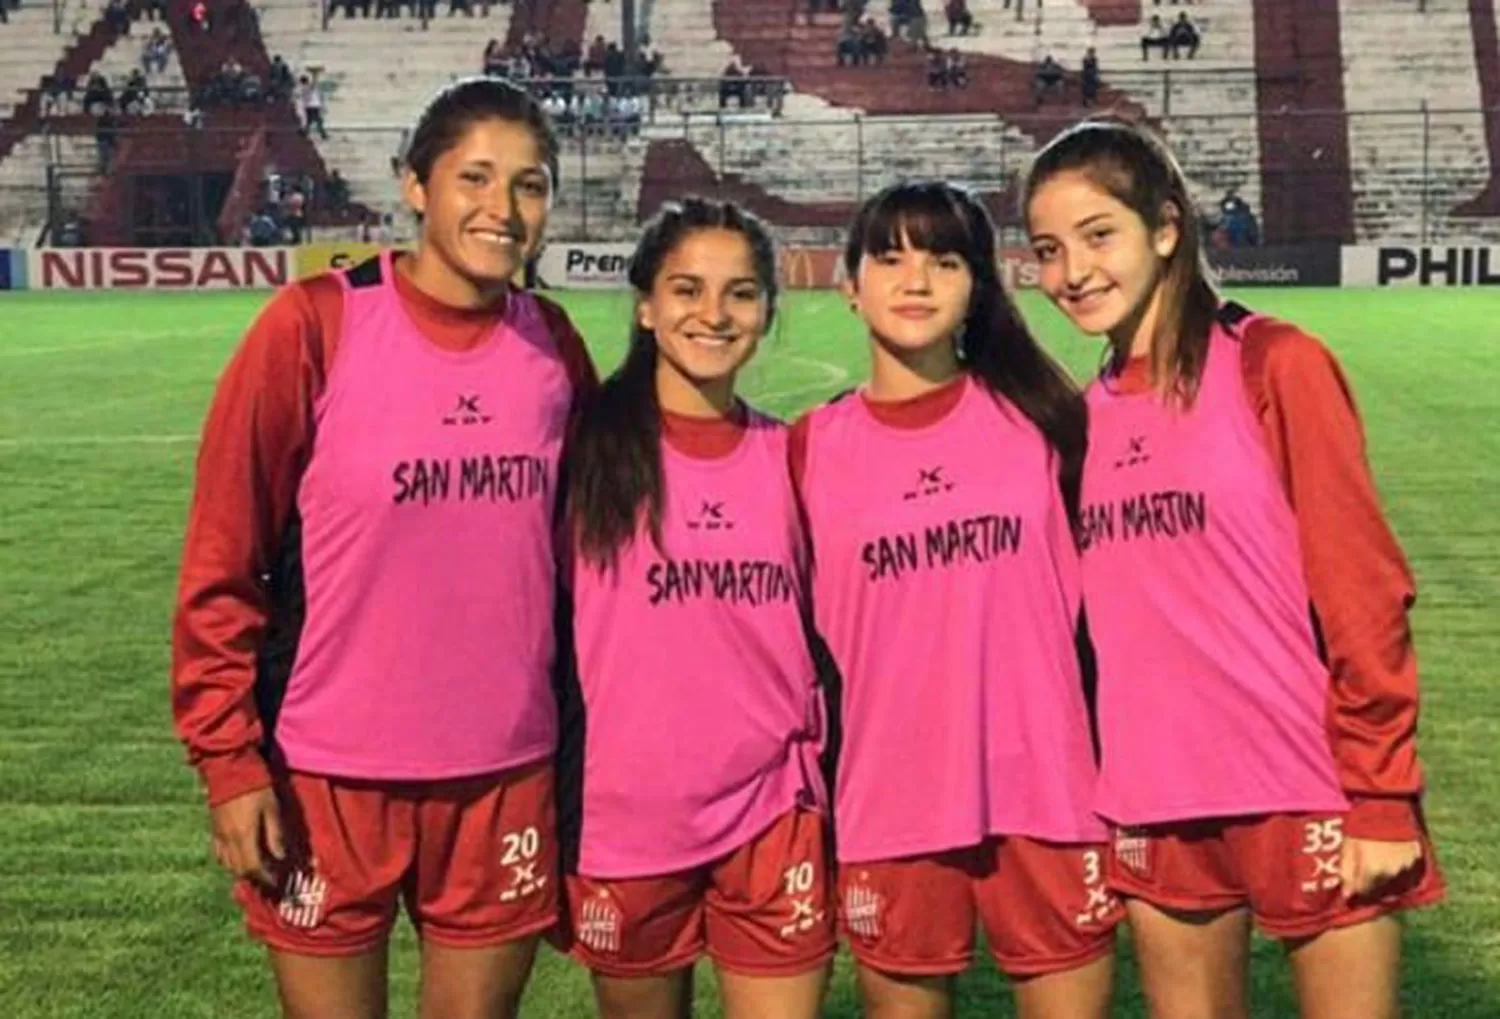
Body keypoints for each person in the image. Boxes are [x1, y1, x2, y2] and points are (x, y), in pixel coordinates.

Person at [170, 78, 597, 1019]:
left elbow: (592, 572)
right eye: (475, 178)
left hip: (504, 773)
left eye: (530, 185)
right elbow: (223, 561)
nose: (503, 208)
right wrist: (231, 763)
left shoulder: (553, 347)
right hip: (327, 777)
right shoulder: (315, 324)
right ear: (415, 186)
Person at [1023, 118, 1445, 1019]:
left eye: (1100, 235)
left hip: (1305, 785)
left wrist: (1380, 792)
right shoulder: (1080, 417)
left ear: (1166, 227)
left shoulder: (1273, 363)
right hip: (1153, 795)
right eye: (1049, 250)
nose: (1073, 272)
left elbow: (1364, 587)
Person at [791, 181, 1119, 1019]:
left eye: (945, 260)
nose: (916, 280)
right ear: (848, 283)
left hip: (1047, 791)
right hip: (889, 799)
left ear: (979, 283)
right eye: (890, 257)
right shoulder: (807, 451)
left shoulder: (1049, 423)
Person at [553, 197, 835, 1019]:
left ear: (767, 312)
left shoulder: (796, 455)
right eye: (686, 289)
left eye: (741, 293)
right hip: (628, 818)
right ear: (644, 304)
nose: (713, 314)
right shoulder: (584, 452)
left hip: (774, 813)